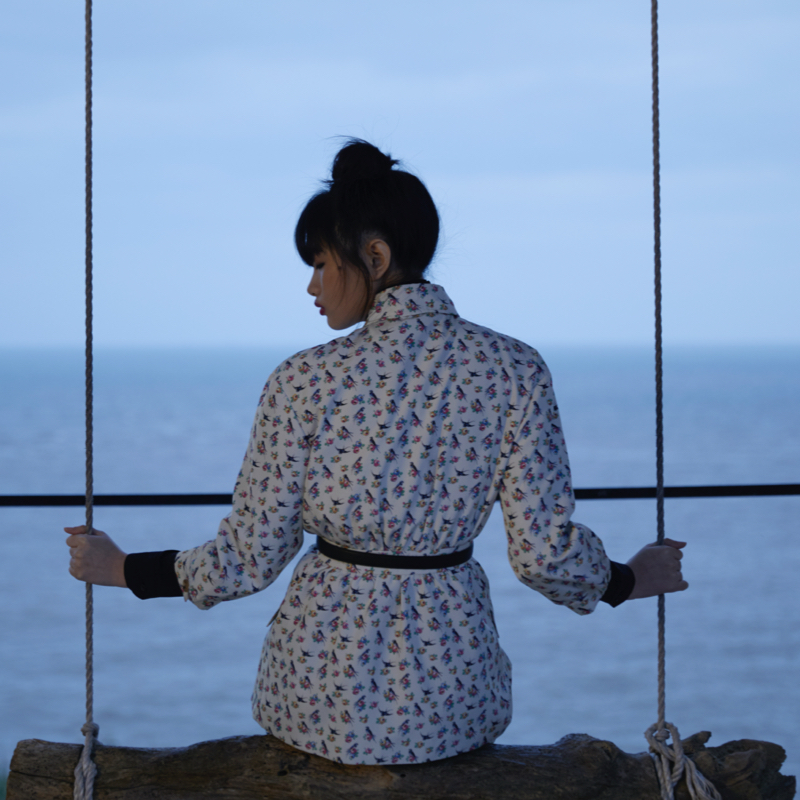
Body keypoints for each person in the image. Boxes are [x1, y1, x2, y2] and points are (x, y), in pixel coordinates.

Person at [65, 139, 687, 766]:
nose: (312, 286)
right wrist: (630, 579)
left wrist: (124, 570)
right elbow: (543, 554)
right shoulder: (515, 369)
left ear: (375, 256)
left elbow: (250, 556)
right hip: (452, 697)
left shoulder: (303, 380)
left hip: (317, 698)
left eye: (320, 264)